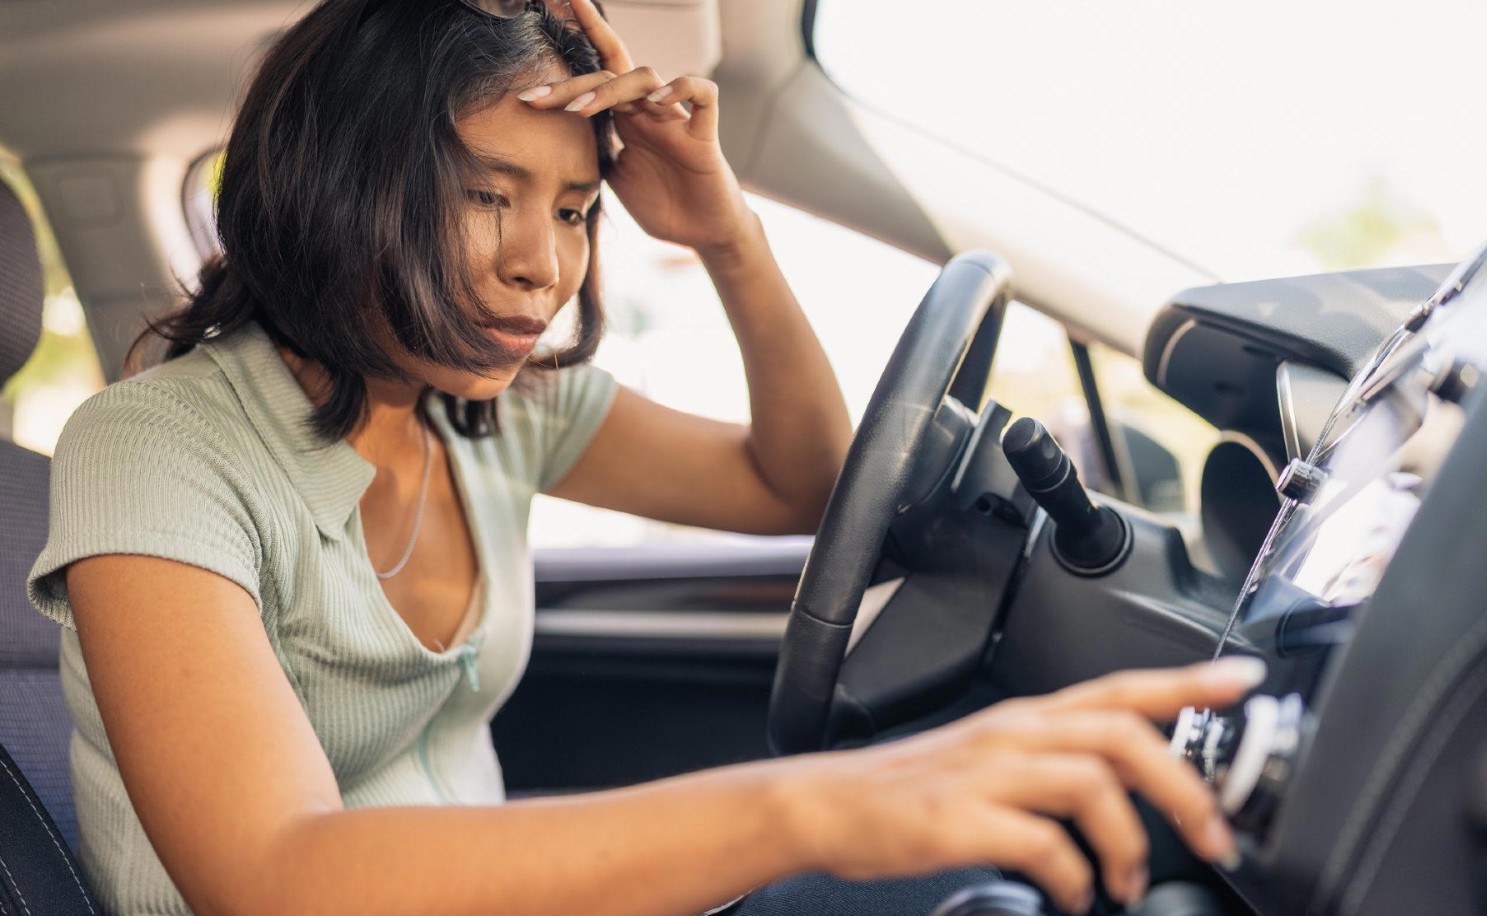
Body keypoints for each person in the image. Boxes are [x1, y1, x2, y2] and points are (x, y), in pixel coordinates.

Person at [25, 1, 1258, 913]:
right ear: (341, 184)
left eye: (571, 209)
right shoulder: (152, 448)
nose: (543, 265)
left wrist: (727, 233)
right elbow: (276, 875)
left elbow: (804, 481)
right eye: (483, 194)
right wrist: (819, 804)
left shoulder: (492, 410)